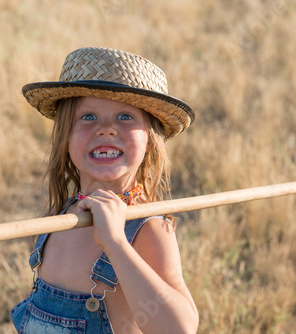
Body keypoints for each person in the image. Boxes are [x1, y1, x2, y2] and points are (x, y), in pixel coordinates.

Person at [10, 47, 199, 333]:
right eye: (87, 117)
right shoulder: (62, 214)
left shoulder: (147, 229)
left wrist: (116, 244)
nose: (106, 129)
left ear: (150, 140)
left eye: (125, 117)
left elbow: (179, 328)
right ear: (65, 136)